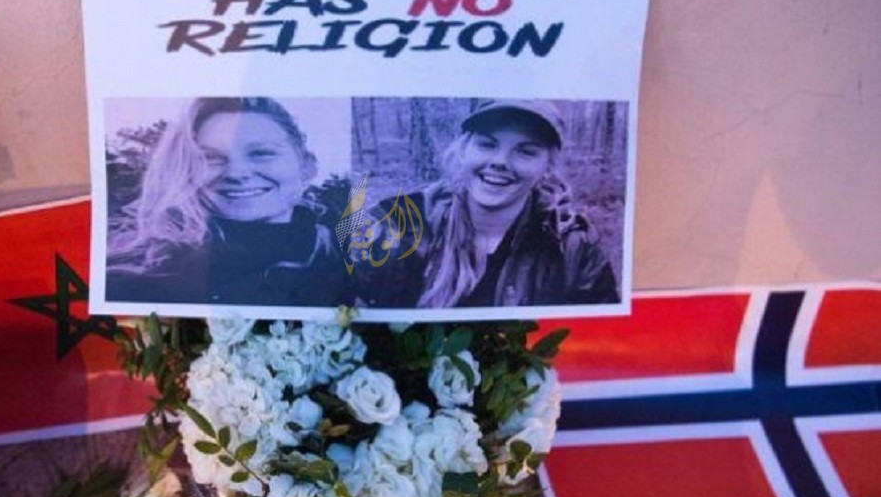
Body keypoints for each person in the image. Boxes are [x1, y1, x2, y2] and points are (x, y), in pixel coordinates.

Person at [355, 99, 618, 309]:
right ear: (463, 151)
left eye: (526, 151)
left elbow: (598, 335)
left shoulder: (571, 248)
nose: (500, 161)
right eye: (487, 144)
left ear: (547, 167)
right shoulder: (401, 224)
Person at [107, 97, 350, 306]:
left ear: (307, 166)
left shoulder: (351, 263)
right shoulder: (140, 278)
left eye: (261, 153)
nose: (236, 173)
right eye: (211, 158)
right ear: (186, 171)